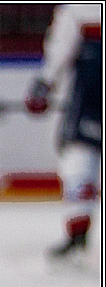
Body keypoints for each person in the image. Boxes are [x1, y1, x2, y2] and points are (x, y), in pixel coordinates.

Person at [25, 3, 102, 259]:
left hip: (90, 97)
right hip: (90, 93)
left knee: (80, 156)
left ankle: (77, 235)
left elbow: (60, 49)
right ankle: (78, 233)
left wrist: (45, 83)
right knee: (80, 157)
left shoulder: (77, 10)